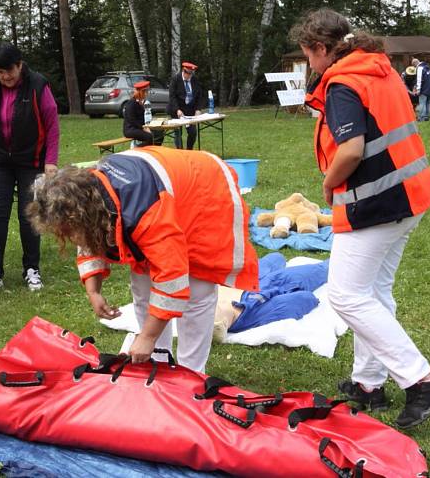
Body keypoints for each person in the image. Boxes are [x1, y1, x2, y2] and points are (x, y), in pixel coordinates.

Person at [297, 8, 430, 429]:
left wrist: (329, 185)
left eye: (308, 56)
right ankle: (368, 382)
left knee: (346, 296)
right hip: (410, 195)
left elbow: (350, 150)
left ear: (320, 48)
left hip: (376, 203)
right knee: (374, 291)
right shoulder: (378, 67)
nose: (310, 66)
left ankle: (424, 378)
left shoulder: (344, 83)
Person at [28, 147, 259, 373]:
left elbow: (172, 278)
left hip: (204, 191)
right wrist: (93, 291)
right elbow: (89, 237)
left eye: (68, 231)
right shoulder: (89, 199)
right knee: (143, 284)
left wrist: (147, 337)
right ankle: (158, 364)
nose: (68, 237)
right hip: (162, 188)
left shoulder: (144, 210)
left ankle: (192, 374)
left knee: (197, 291)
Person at [0, 42, 60, 295]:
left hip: (30, 161)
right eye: (0, 72)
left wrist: (50, 161)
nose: (5, 77)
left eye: (9, 71)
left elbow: (52, 124)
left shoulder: (38, 85)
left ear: (20, 65)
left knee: (29, 215)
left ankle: (32, 269)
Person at [168, 61, 204, 149]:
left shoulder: (194, 79)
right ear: (184, 71)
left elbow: (199, 95)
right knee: (178, 133)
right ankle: (180, 152)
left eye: (192, 74)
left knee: (193, 132)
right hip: (177, 110)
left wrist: (198, 109)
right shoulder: (175, 79)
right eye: (189, 74)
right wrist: (177, 110)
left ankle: (189, 150)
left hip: (190, 110)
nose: (190, 76)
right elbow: (172, 97)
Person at [122, 80, 163, 146]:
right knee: (149, 137)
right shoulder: (131, 103)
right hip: (130, 129)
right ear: (141, 92)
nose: (147, 94)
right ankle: (137, 150)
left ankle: (153, 150)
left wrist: (147, 126)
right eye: (145, 92)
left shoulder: (141, 102)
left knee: (159, 133)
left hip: (139, 127)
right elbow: (132, 120)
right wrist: (143, 128)